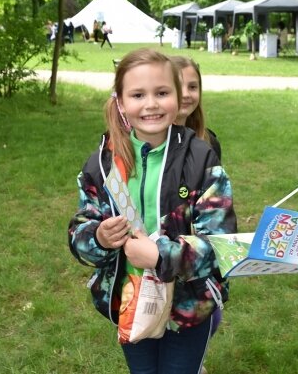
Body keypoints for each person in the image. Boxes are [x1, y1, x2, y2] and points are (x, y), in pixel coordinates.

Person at [68, 48, 236, 374]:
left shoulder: (201, 159)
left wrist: (161, 257)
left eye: (162, 93)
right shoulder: (103, 164)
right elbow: (79, 229)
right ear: (120, 102)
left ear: (178, 97)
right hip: (129, 302)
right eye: (137, 94)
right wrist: (99, 237)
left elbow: (220, 243)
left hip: (188, 307)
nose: (151, 104)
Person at [171, 56, 222, 162]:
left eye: (192, 87)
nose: (185, 94)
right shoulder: (151, 145)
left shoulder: (209, 143)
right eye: (177, 87)